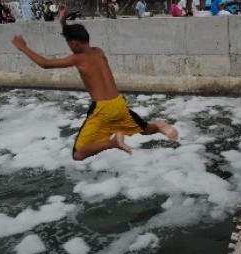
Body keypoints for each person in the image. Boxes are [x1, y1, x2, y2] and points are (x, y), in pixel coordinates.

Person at [11, 5, 178, 161]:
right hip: (119, 103)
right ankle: (160, 126)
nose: (69, 47)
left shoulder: (78, 58)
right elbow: (74, 39)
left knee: (78, 154)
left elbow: (45, 64)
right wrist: (63, 23)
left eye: (69, 44)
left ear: (74, 44)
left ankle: (113, 143)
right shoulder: (99, 52)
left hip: (103, 109)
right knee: (146, 129)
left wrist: (23, 47)